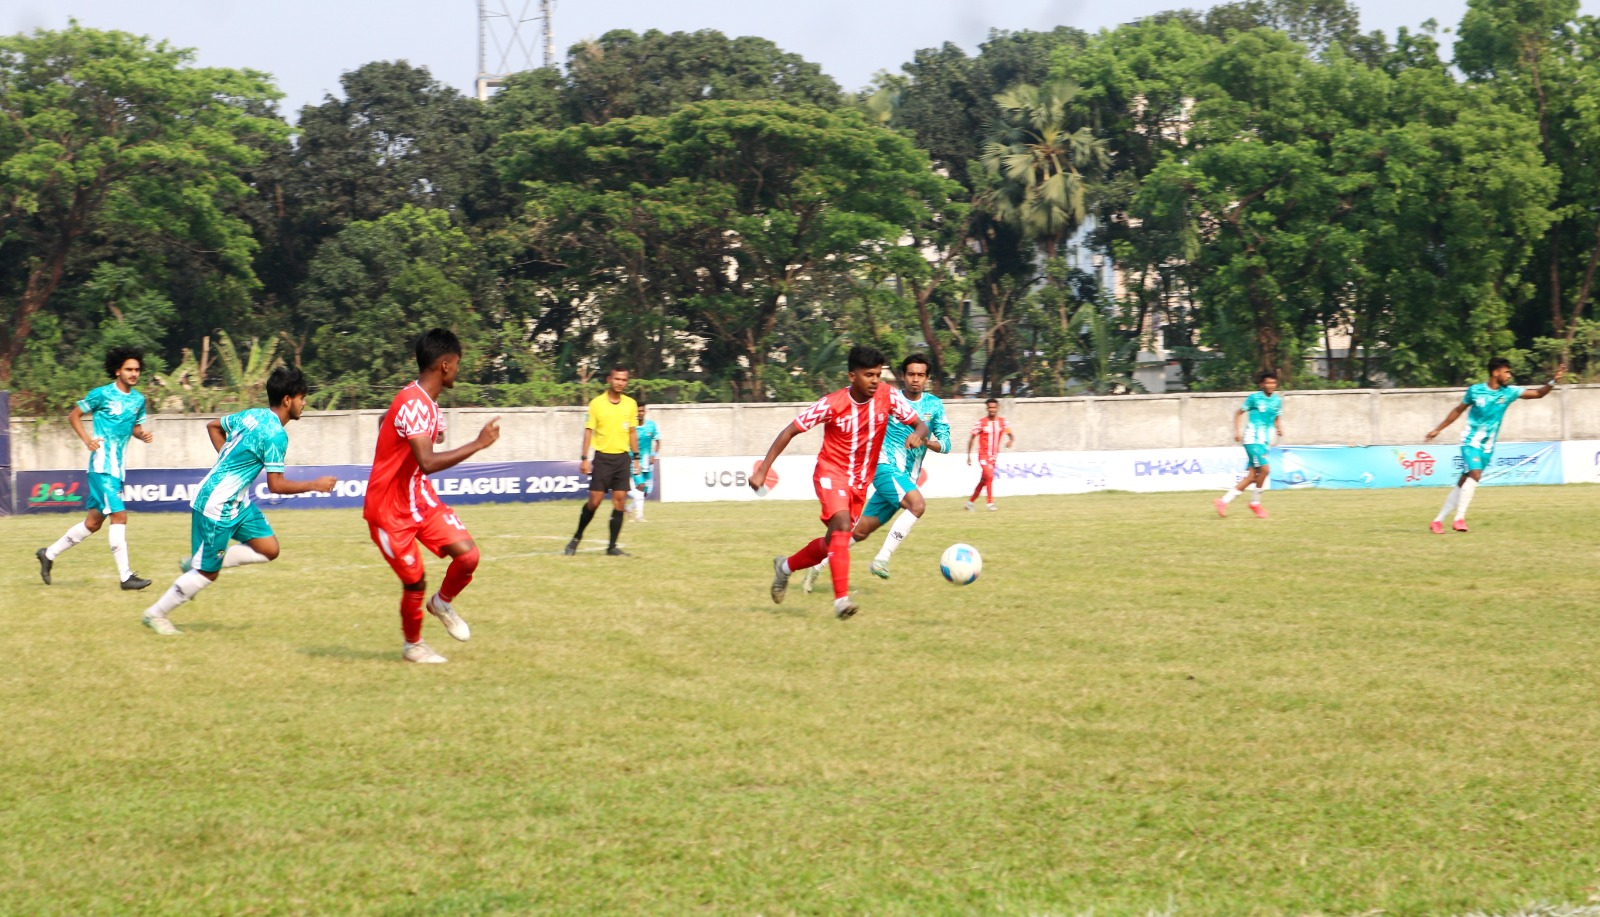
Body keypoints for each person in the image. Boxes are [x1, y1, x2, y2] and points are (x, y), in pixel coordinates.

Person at [140, 367, 337, 635]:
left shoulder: (253, 415)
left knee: (269, 549)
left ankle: (195, 562)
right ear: (288, 400)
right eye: (302, 397)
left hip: (237, 502)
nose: (305, 403)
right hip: (218, 505)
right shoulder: (276, 434)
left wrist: (228, 463)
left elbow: (213, 426)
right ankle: (156, 614)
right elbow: (276, 485)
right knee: (208, 574)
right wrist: (315, 484)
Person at [751, 345, 930, 620]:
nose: (874, 381)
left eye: (878, 375)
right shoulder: (832, 403)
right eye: (868, 375)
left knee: (833, 542)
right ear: (851, 375)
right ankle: (841, 602)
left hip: (860, 482)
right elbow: (790, 430)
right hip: (831, 472)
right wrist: (763, 469)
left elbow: (920, 424)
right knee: (843, 527)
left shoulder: (888, 397)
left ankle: (784, 567)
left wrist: (918, 433)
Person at [364, 329, 501, 664]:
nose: (458, 370)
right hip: (388, 510)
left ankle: (442, 602)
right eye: (456, 364)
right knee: (415, 582)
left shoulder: (425, 403)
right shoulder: (413, 403)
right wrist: (479, 443)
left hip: (419, 500)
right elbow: (426, 461)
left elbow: (391, 420)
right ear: (444, 365)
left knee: (468, 556)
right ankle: (414, 646)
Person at [803, 353, 950, 591]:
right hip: (883, 467)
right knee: (917, 505)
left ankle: (817, 565)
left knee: (860, 532)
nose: (915, 379)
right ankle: (881, 560)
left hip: (906, 477)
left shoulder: (934, 406)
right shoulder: (885, 397)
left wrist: (925, 441)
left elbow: (946, 444)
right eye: (911, 374)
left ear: (927, 378)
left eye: (920, 375)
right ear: (903, 376)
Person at [36, 347, 154, 590]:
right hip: (101, 465)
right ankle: (126, 577)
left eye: (137, 370)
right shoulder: (101, 394)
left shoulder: (138, 400)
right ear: (117, 371)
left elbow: (133, 427)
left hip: (118, 468)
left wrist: (142, 435)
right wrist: (87, 440)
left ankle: (48, 554)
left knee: (92, 523)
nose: (134, 373)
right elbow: (74, 415)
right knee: (119, 516)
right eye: (129, 369)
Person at [1423, 357, 1564, 533]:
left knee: (1464, 482)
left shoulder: (1509, 392)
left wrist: (1553, 381)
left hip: (1488, 447)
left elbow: (1538, 393)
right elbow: (1458, 410)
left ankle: (1437, 521)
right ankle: (1459, 519)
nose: (1509, 375)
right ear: (1495, 372)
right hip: (1470, 442)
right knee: (1475, 475)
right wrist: (1438, 429)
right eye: (1507, 371)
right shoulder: (1475, 391)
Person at [566, 367, 640, 556]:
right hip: (603, 458)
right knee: (594, 502)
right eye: (617, 379)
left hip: (622, 459)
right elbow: (588, 431)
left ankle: (612, 546)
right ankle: (576, 537)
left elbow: (632, 432)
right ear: (609, 379)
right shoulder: (596, 404)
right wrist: (584, 458)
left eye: (624, 380)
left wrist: (636, 458)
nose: (620, 383)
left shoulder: (630, 404)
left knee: (620, 503)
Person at [1215, 372, 1284, 518]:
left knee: (1253, 476)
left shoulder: (1277, 400)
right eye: (1268, 383)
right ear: (1262, 384)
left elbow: (1276, 416)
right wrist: (1237, 431)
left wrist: (1278, 428)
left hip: (1264, 441)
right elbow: (1238, 413)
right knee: (1265, 470)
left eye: (1273, 383)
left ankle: (1223, 501)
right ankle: (1255, 503)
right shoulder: (1254, 398)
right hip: (1252, 439)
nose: (1271, 385)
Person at [966, 398, 1013, 511]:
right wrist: (968, 455)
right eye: (990, 407)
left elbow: (1011, 435)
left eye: (994, 407)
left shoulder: (1003, 422)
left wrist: (1010, 441)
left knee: (984, 480)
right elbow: (972, 438)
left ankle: (970, 503)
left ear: (997, 408)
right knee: (990, 476)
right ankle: (990, 503)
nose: (992, 409)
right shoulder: (981, 422)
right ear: (987, 409)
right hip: (983, 455)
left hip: (994, 456)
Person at [629, 404, 661, 521]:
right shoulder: (630, 428)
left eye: (642, 411)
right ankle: (639, 516)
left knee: (644, 492)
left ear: (645, 411)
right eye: (637, 411)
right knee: (640, 486)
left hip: (647, 462)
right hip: (633, 461)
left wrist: (654, 455)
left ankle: (629, 508)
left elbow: (658, 441)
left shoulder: (651, 426)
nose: (639, 413)